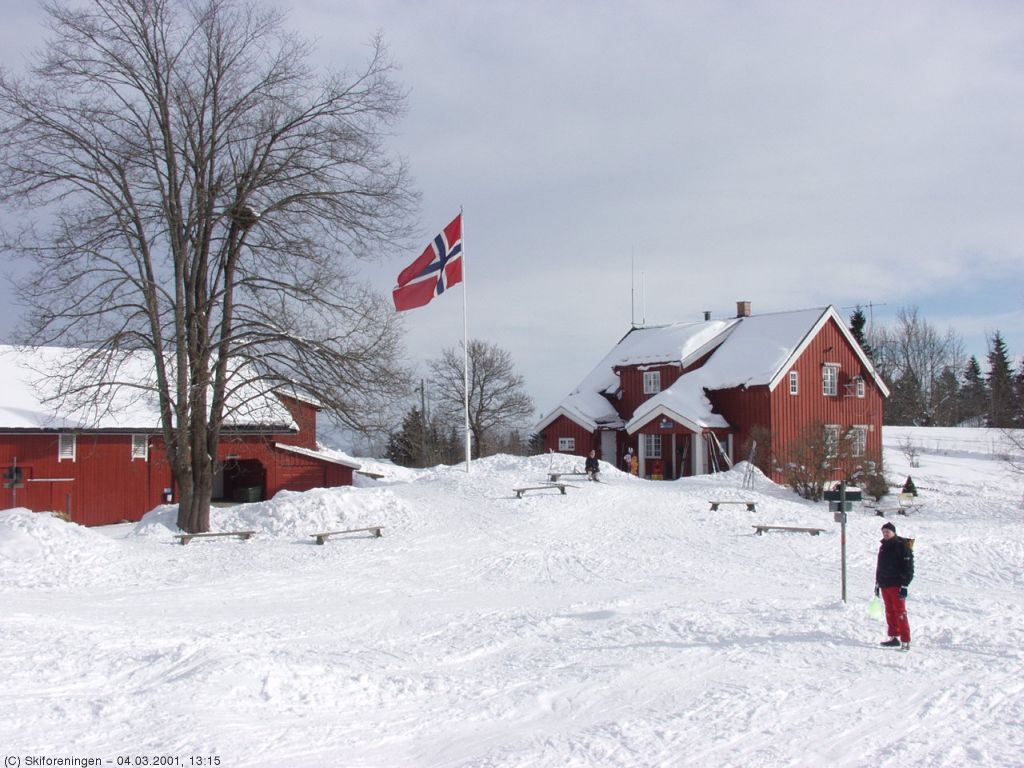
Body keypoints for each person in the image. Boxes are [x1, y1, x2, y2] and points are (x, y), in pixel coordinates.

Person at [875, 521, 914, 650]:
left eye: (888, 532)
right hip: (885, 583)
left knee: (900, 612)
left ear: (894, 532)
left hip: (897, 584)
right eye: (884, 532)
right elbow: (880, 566)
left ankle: (905, 640)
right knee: (890, 611)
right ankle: (893, 637)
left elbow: (908, 568)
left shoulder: (901, 545)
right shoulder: (884, 546)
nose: (885, 534)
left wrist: (904, 585)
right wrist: (877, 583)